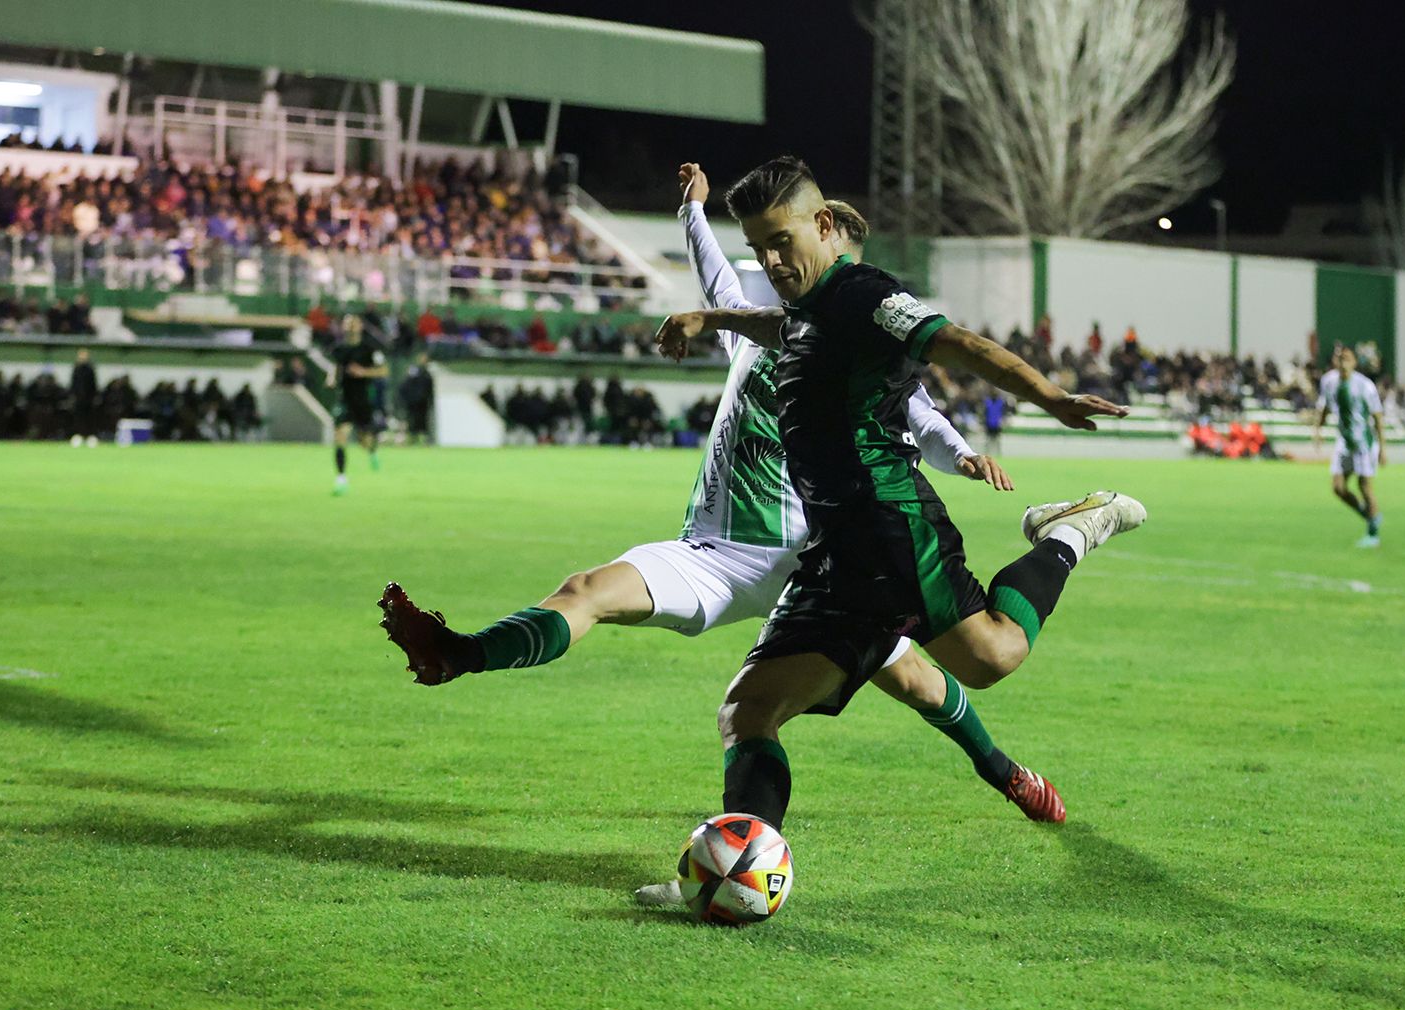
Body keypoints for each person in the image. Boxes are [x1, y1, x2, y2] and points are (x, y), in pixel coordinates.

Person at [379, 162, 1063, 855]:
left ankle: (1004, 772)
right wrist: (692, 212)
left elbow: (923, 417)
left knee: (919, 677)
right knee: (589, 591)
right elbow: (717, 283)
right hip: (716, 554)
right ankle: (461, 652)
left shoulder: (861, 352)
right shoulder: (761, 332)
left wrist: (966, 453)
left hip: (814, 560)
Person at [648, 156, 1141, 853]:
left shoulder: (865, 296)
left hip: (889, 528)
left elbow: (959, 344)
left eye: (780, 241)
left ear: (823, 225)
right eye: (758, 247)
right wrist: (710, 315)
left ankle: (1070, 532)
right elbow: (780, 328)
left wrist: (1052, 397)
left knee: (992, 656)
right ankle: (738, 870)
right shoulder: (807, 307)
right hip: (830, 554)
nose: (771, 259)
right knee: (748, 709)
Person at [1312, 344, 1385, 547]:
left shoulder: (1365, 386)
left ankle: (1373, 534)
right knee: (1338, 488)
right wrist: (1317, 431)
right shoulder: (1329, 382)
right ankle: (1368, 515)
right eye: (1340, 359)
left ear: (1354, 362)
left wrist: (1383, 448)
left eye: (1347, 359)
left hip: (1364, 443)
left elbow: (1377, 417)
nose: (1343, 363)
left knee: (1364, 486)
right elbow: (1324, 407)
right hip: (1344, 442)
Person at [326, 314, 388, 495]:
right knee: (340, 437)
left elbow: (383, 370)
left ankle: (372, 451)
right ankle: (341, 478)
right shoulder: (338, 348)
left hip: (363, 401)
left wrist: (363, 372)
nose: (351, 327)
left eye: (354, 324)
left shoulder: (369, 349)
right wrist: (331, 378)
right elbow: (334, 367)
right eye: (347, 323)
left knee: (364, 440)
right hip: (345, 400)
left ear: (360, 326)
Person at [399, 354, 435, 444]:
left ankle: (422, 440)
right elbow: (405, 385)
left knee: (423, 421)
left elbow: (430, 390)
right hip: (412, 402)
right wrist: (406, 398)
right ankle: (412, 439)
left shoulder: (428, 374)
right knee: (412, 420)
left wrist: (430, 401)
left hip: (423, 403)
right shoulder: (413, 371)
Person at [68, 348, 98, 446]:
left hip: (89, 399)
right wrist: (73, 396)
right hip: (78, 399)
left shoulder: (90, 369)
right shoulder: (76, 369)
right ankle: (78, 436)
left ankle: (90, 436)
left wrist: (94, 397)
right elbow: (73, 384)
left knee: (90, 418)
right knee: (78, 418)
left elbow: (94, 385)